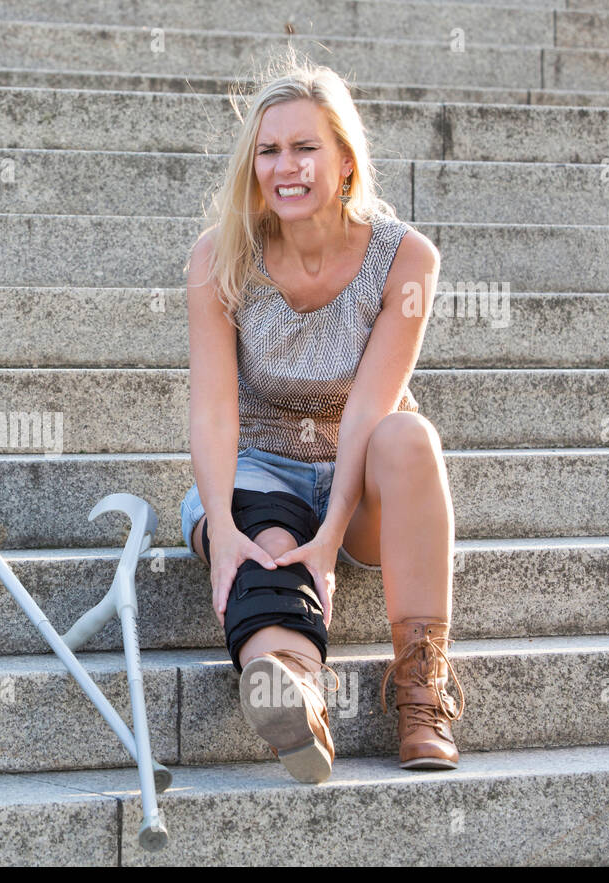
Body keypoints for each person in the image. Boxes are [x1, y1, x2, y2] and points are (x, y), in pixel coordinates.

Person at [179, 52, 465, 784]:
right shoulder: (219, 258)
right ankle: (297, 691)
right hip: (259, 462)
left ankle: (420, 690)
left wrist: (332, 535)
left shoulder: (405, 259)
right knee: (266, 544)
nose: (287, 167)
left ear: (344, 161)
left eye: (306, 147)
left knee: (411, 434)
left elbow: (372, 405)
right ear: (253, 167)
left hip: (361, 468)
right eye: (269, 150)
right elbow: (213, 411)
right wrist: (224, 525)